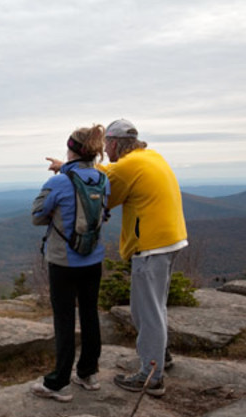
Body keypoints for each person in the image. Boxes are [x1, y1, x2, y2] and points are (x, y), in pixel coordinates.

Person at [100, 119, 188, 397]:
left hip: (151, 246)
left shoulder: (128, 165)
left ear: (113, 144)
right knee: (156, 306)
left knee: (145, 312)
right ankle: (160, 356)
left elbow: (105, 193)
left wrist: (69, 169)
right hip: (171, 240)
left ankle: (151, 375)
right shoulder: (150, 156)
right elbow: (111, 172)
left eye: (105, 145)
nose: (104, 150)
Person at [30, 124, 109, 402]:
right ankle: (88, 373)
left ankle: (58, 383)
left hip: (63, 261)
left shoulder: (58, 183)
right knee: (89, 313)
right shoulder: (102, 180)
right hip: (93, 258)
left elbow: (37, 215)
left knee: (64, 319)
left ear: (71, 149)